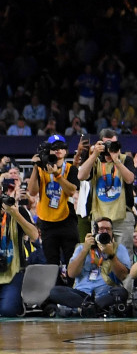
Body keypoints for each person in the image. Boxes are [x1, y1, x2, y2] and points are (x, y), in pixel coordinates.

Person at [50, 216, 131, 314]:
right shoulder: (81, 248)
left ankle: (86, 309)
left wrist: (111, 255)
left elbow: (123, 276)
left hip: (105, 294)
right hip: (82, 294)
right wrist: (85, 250)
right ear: (94, 231)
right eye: (101, 229)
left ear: (112, 233)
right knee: (55, 291)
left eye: (108, 229)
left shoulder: (119, 248)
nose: (105, 232)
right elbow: (71, 274)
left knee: (122, 292)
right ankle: (92, 308)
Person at [77, 129, 136, 249]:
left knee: (124, 253)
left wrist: (117, 161)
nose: (110, 148)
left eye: (113, 144)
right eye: (106, 144)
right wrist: (94, 154)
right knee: (100, 252)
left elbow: (130, 179)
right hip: (99, 216)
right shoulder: (95, 160)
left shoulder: (125, 159)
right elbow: (81, 176)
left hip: (122, 216)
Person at [28, 134, 79, 272]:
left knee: (71, 261)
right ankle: (53, 291)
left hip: (67, 220)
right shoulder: (40, 169)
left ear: (66, 151)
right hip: (47, 222)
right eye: (54, 147)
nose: (58, 150)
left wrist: (57, 175)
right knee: (51, 264)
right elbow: (32, 192)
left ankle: (71, 291)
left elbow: (72, 190)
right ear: (48, 150)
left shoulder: (70, 168)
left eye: (61, 147)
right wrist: (35, 166)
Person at [0, 178, 40, 316]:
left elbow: (35, 235)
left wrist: (16, 214)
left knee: (8, 310)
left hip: (13, 271)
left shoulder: (17, 211)